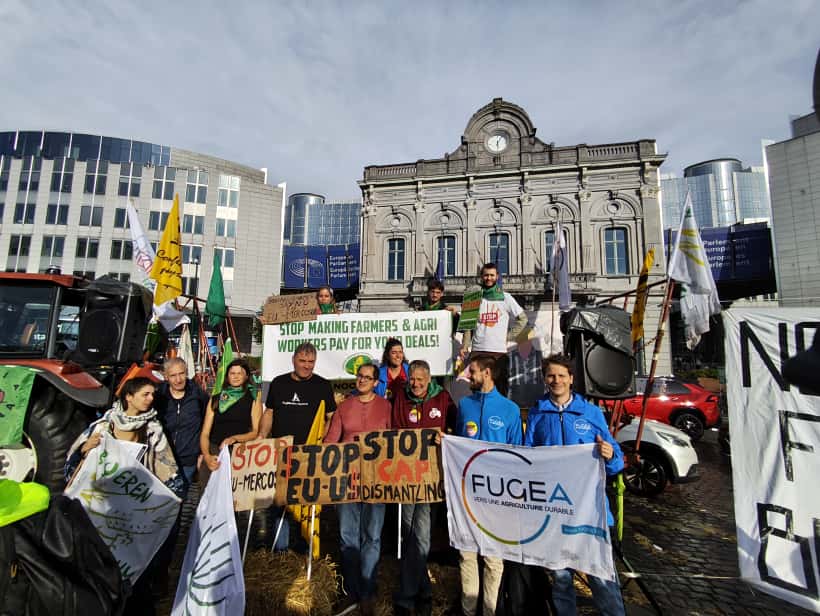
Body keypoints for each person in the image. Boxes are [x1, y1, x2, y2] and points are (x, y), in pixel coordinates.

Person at [64, 376, 184, 616]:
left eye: (152, 395)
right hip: (101, 506)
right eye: (145, 395)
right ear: (129, 397)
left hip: (132, 509)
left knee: (132, 570)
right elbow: (75, 461)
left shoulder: (152, 429)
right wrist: (86, 449)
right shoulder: (104, 425)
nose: (151, 400)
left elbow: (168, 471)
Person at [524, 354, 626, 616]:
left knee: (602, 580)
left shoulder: (590, 412)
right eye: (550, 376)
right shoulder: (537, 413)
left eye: (561, 375)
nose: (555, 380)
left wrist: (610, 455)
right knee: (560, 581)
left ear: (571, 379)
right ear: (544, 379)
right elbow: (527, 459)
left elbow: (616, 462)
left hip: (590, 513)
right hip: (555, 513)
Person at [455, 355, 523, 616]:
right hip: (468, 492)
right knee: (467, 554)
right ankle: (468, 610)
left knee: (493, 558)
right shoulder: (464, 405)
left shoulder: (510, 409)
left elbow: (519, 452)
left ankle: (490, 611)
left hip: (498, 494)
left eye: (472, 372)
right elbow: (458, 444)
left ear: (487, 373)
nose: (468, 376)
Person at [324, 363, 391, 615]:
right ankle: (350, 592)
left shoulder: (386, 407)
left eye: (367, 377)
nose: (361, 380)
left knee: (372, 537)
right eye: (359, 376)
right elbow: (332, 440)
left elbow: (395, 439)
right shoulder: (344, 406)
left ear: (376, 382)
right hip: (346, 481)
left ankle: (368, 591)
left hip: (376, 481)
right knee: (347, 536)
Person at [391, 359, 457, 616]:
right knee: (408, 534)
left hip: (431, 478)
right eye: (412, 379)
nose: (416, 384)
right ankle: (425, 590)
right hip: (407, 477)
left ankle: (406, 596)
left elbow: (455, 428)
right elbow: (395, 429)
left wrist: (447, 437)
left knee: (423, 534)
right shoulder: (400, 397)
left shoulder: (442, 398)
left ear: (429, 379)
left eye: (421, 379)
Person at [260, 342, 337, 551]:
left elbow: (331, 417)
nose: (307, 366)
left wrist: (322, 442)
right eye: (302, 361)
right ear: (293, 360)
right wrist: (261, 437)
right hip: (281, 454)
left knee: (306, 505)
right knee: (280, 505)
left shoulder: (322, 385)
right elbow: (269, 413)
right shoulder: (278, 383)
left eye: (311, 362)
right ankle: (280, 553)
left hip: (308, 457)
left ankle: (305, 551)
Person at [462, 262, 528, 396]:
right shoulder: (472, 296)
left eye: (492, 275)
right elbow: (468, 326)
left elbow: (523, 319)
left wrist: (508, 336)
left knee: (500, 390)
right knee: (477, 390)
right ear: (481, 276)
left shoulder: (506, 297)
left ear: (497, 276)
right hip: (478, 351)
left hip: (498, 352)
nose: (489, 278)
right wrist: (464, 346)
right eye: (486, 275)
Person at [199, 359, 262, 481]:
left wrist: (234, 439)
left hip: (239, 453)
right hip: (215, 450)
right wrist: (207, 456)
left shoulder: (254, 397)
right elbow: (205, 433)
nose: (236, 377)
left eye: (240, 373)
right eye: (232, 373)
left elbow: (255, 432)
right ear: (227, 376)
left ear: (246, 376)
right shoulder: (216, 398)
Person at [155, 357, 209, 491]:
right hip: (161, 457)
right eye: (173, 375)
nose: (178, 379)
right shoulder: (158, 395)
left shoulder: (197, 395)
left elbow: (206, 424)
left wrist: (203, 452)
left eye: (181, 374)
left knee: (179, 498)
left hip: (188, 458)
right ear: (166, 377)